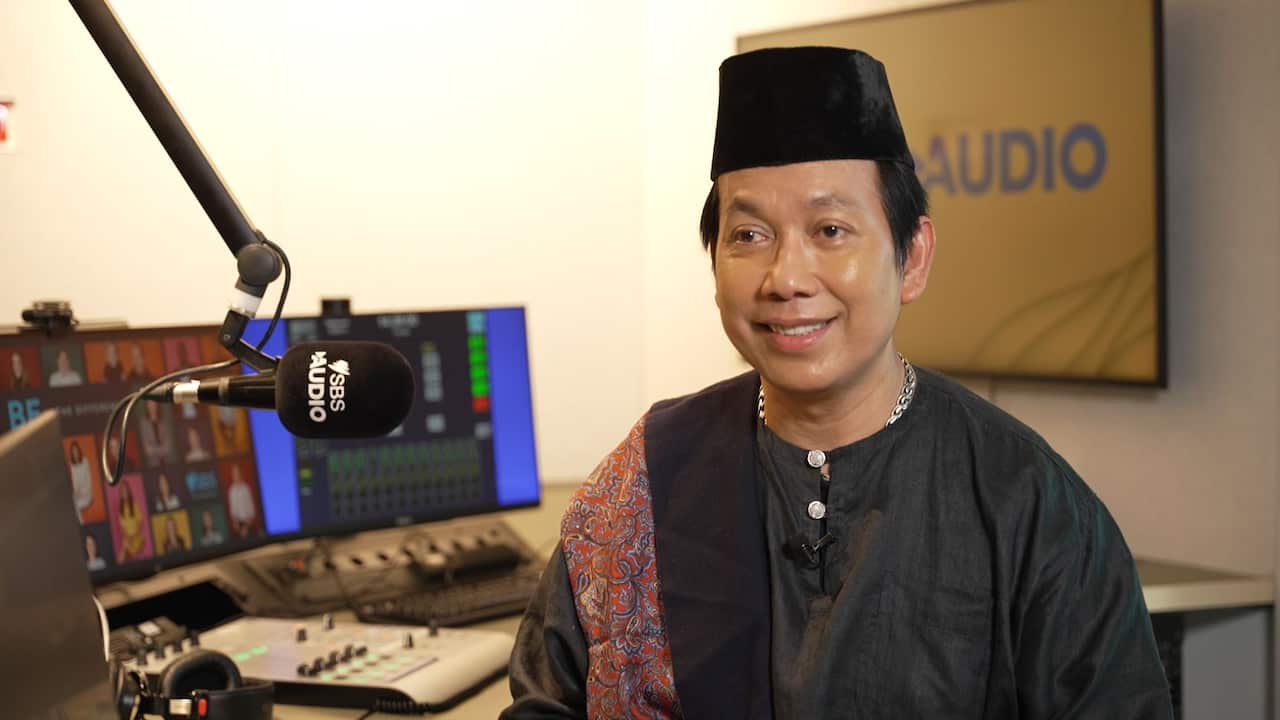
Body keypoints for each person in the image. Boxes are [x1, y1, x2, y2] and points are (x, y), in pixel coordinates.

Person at [502, 47, 1172, 719]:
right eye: (749, 235)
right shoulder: (648, 472)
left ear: (912, 257)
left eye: (830, 230)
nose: (786, 278)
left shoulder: (1024, 498)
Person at [115, 482, 147, 562]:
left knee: (127, 552)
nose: (124, 493)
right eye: (122, 492)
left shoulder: (135, 505)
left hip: (137, 538)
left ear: (128, 492)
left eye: (126, 491)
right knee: (123, 553)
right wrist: (128, 537)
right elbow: (122, 528)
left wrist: (133, 536)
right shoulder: (120, 510)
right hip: (128, 539)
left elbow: (140, 523)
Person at [139, 400, 174, 466]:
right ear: (146, 407)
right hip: (153, 464)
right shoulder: (143, 424)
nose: (152, 407)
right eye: (149, 405)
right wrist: (162, 449)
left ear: (157, 405)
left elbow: (168, 448)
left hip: (168, 462)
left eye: (153, 404)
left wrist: (153, 450)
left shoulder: (164, 422)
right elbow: (147, 451)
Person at [226, 464, 257, 538]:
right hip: (238, 524)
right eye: (234, 473)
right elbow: (232, 510)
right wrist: (235, 523)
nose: (236, 475)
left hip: (248, 524)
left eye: (237, 473)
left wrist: (246, 527)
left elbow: (252, 511)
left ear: (240, 474)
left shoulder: (246, 489)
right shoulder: (231, 491)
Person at [67, 440, 94, 513]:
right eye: (73, 451)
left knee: (77, 505)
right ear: (71, 452)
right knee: (72, 504)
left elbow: (89, 479)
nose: (75, 452)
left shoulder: (85, 461)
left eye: (76, 450)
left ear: (78, 450)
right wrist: (76, 491)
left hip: (87, 492)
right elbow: (74, 481)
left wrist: (83, 491)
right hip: (78, 493)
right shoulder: (72, 465)